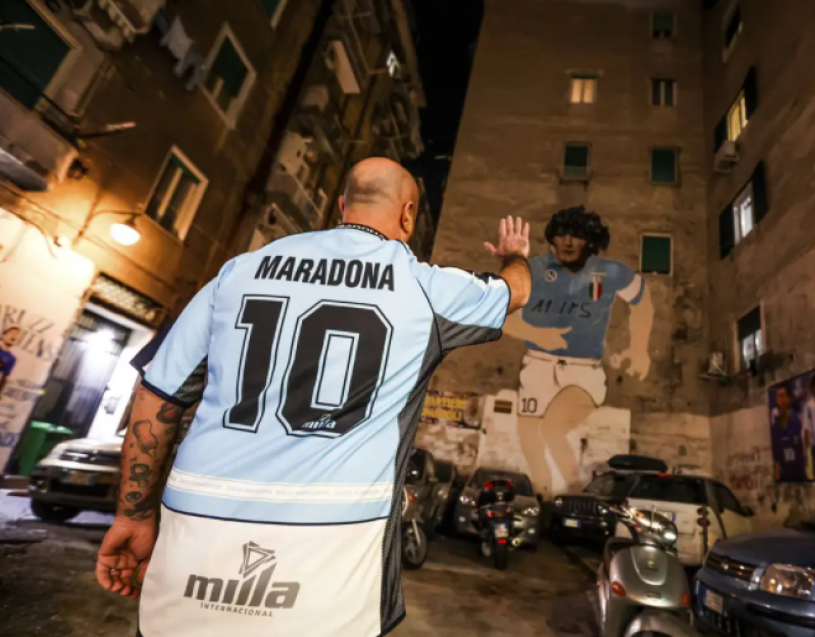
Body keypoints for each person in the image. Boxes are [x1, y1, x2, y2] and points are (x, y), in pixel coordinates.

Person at [94, 157, 533, 637]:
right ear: (408, 215)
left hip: (198, 521)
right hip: (335, 533)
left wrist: (133, 514)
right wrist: (514, 256)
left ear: (342, 205)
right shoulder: (426, 289)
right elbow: (515, 292)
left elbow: (157, 396)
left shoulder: (238, 272)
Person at [501, 206, 653, 494]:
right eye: (561, 235)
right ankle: (545, 499)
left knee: (551, 430)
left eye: (576, 236)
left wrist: (639, 348)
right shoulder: (534, 269)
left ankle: (573, 493)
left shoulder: (611, 271)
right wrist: (535, 333)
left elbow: (642, 301)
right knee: (529, 437)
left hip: (584, 370)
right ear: (552, 239)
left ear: (590, 241)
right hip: (538, 364)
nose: (568, 242)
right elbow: (504, 315)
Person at [771, 384, 806, 482]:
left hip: (798, 473)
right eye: (778, 396)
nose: (780, 400)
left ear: (788, 399)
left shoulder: (797, 420)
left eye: (782, 395)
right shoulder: (775, 424)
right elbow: (776, 452)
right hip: (784, 475)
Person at [0, 326, 22, 396]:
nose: (15, 336)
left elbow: (4, 378)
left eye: (17, 335)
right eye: (13, 333)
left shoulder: (12, 359)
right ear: (3, 335)